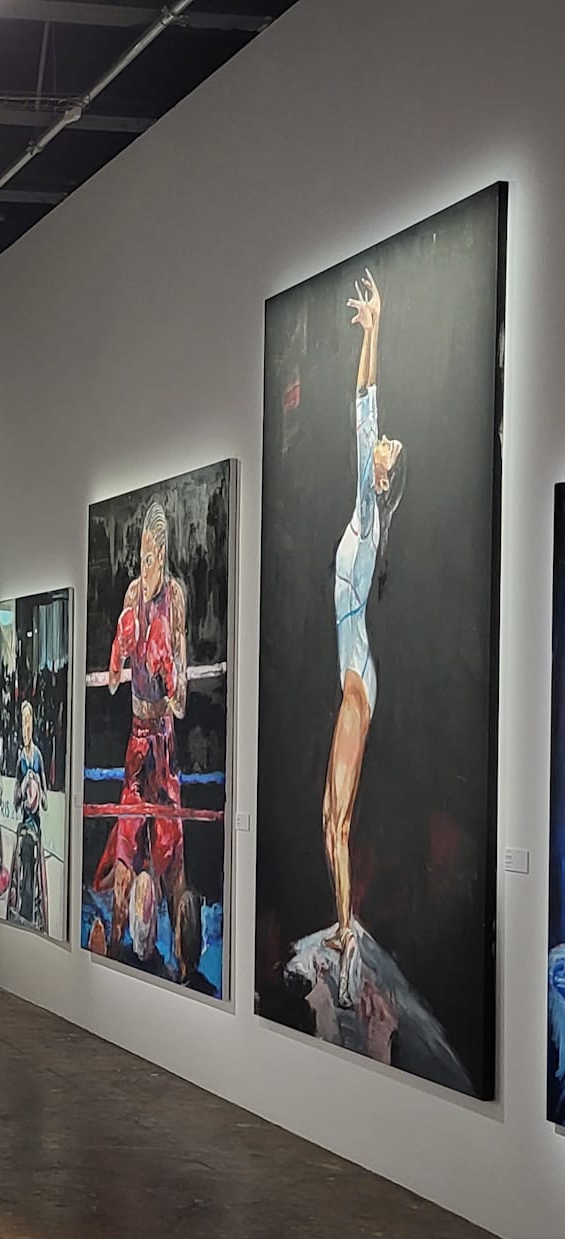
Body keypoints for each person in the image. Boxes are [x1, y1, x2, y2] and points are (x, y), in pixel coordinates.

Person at [323, 268, 407, 1004]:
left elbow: (363, 412)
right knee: (329, 822)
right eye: (379, 454)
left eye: (384, 457)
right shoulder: (361, 524)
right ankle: (344, 929)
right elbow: (364, 422)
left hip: (357, 680)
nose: (379, 453)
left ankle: (348, 938)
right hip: (354, 674)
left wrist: (375, 331)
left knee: (336, 825)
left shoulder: (370, 515)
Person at [92, 499, 193, 974]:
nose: (146, 566)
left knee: (171, 842)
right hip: (136, 735)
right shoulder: (133, 597)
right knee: (128, 834)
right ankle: (113, 941)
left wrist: (171, 671)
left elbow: (182, 696)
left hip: (164, 740)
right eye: (141, 557)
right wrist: (124, 647)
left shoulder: (175, 596)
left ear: (164, 554)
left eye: (152, 556)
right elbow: (113, 680)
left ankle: (184, 957)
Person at [8, 701, 49, 928]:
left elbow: (45, 803)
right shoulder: (21, 758)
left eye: (29, 722)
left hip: (36, 830)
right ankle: (22, 912)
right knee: (22, 874)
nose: (26, 727)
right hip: (24, 828)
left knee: (34, 878)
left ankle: (33, 915)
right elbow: (14, 800)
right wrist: (24, 786)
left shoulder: (38, 756)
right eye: (23, 722)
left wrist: (38, 790)